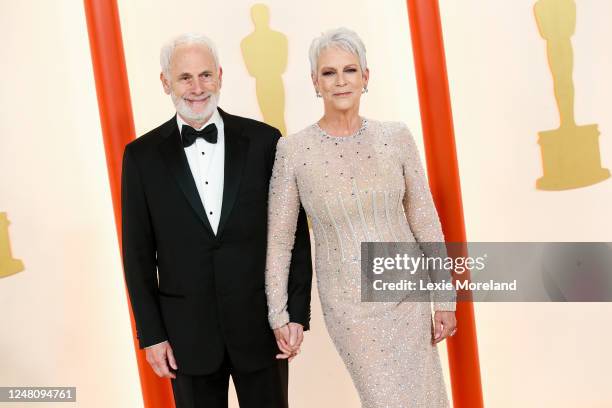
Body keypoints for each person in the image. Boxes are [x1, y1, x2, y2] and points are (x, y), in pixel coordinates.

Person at [265, 28, 456, 407]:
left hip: (409, 297)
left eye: (350, 70)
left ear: (365, 77)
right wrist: (278, 313)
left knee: (426, 398)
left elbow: (425, 220)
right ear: (315, 82)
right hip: (349, 306)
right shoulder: (294, 150)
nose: (340, 81)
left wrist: (445, 297)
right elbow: (280, 240)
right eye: (329, 73)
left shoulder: (397, 137)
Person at [121, 33, 312, 408]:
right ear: (165, 82)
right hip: (185, 339)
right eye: (185, 77)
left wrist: (295, 312)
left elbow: (293, 235)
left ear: (221, 76)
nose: (197, 88)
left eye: (206, 75)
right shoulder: (141, 157)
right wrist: (152, 335)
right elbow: (137, 254)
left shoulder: (264, 141)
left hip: (262, 327)